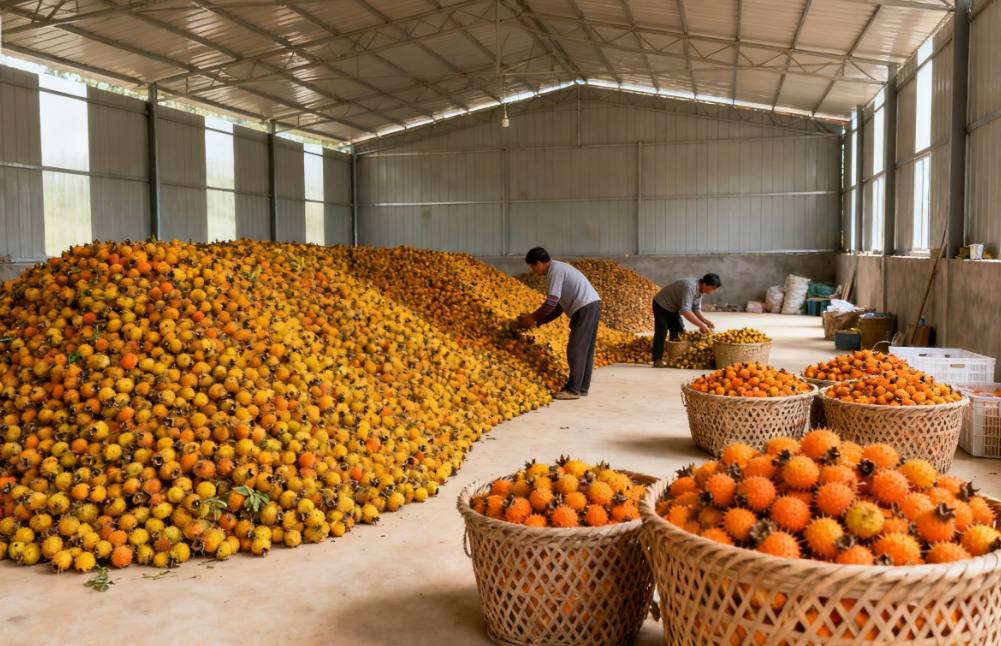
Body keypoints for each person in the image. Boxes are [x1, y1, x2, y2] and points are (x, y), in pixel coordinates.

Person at [517, 247, 601, 400]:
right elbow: (558, 307)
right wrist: (539, 321)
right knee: (585, 350)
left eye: (532, 267)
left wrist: (531, 317)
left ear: (538, 263)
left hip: (584, 307)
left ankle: (573, 389)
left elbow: (550, 303)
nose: (534, 271)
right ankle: (582, 387)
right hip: (591, 305)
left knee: (575, 350)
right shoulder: (559, 268)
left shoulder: (554, 271)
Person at [651, 274, 722, 367]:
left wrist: (705, 321)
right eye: (712, 288)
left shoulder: (699, 291)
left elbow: (696, 309)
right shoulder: (690, 286)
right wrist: (701, 326)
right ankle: (657, 359)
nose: (711, 291)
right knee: (662, 330)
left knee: (679, 330)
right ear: (705, 284)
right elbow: (686, 311)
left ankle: (674, 356)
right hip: (661, 304)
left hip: (673, 306)